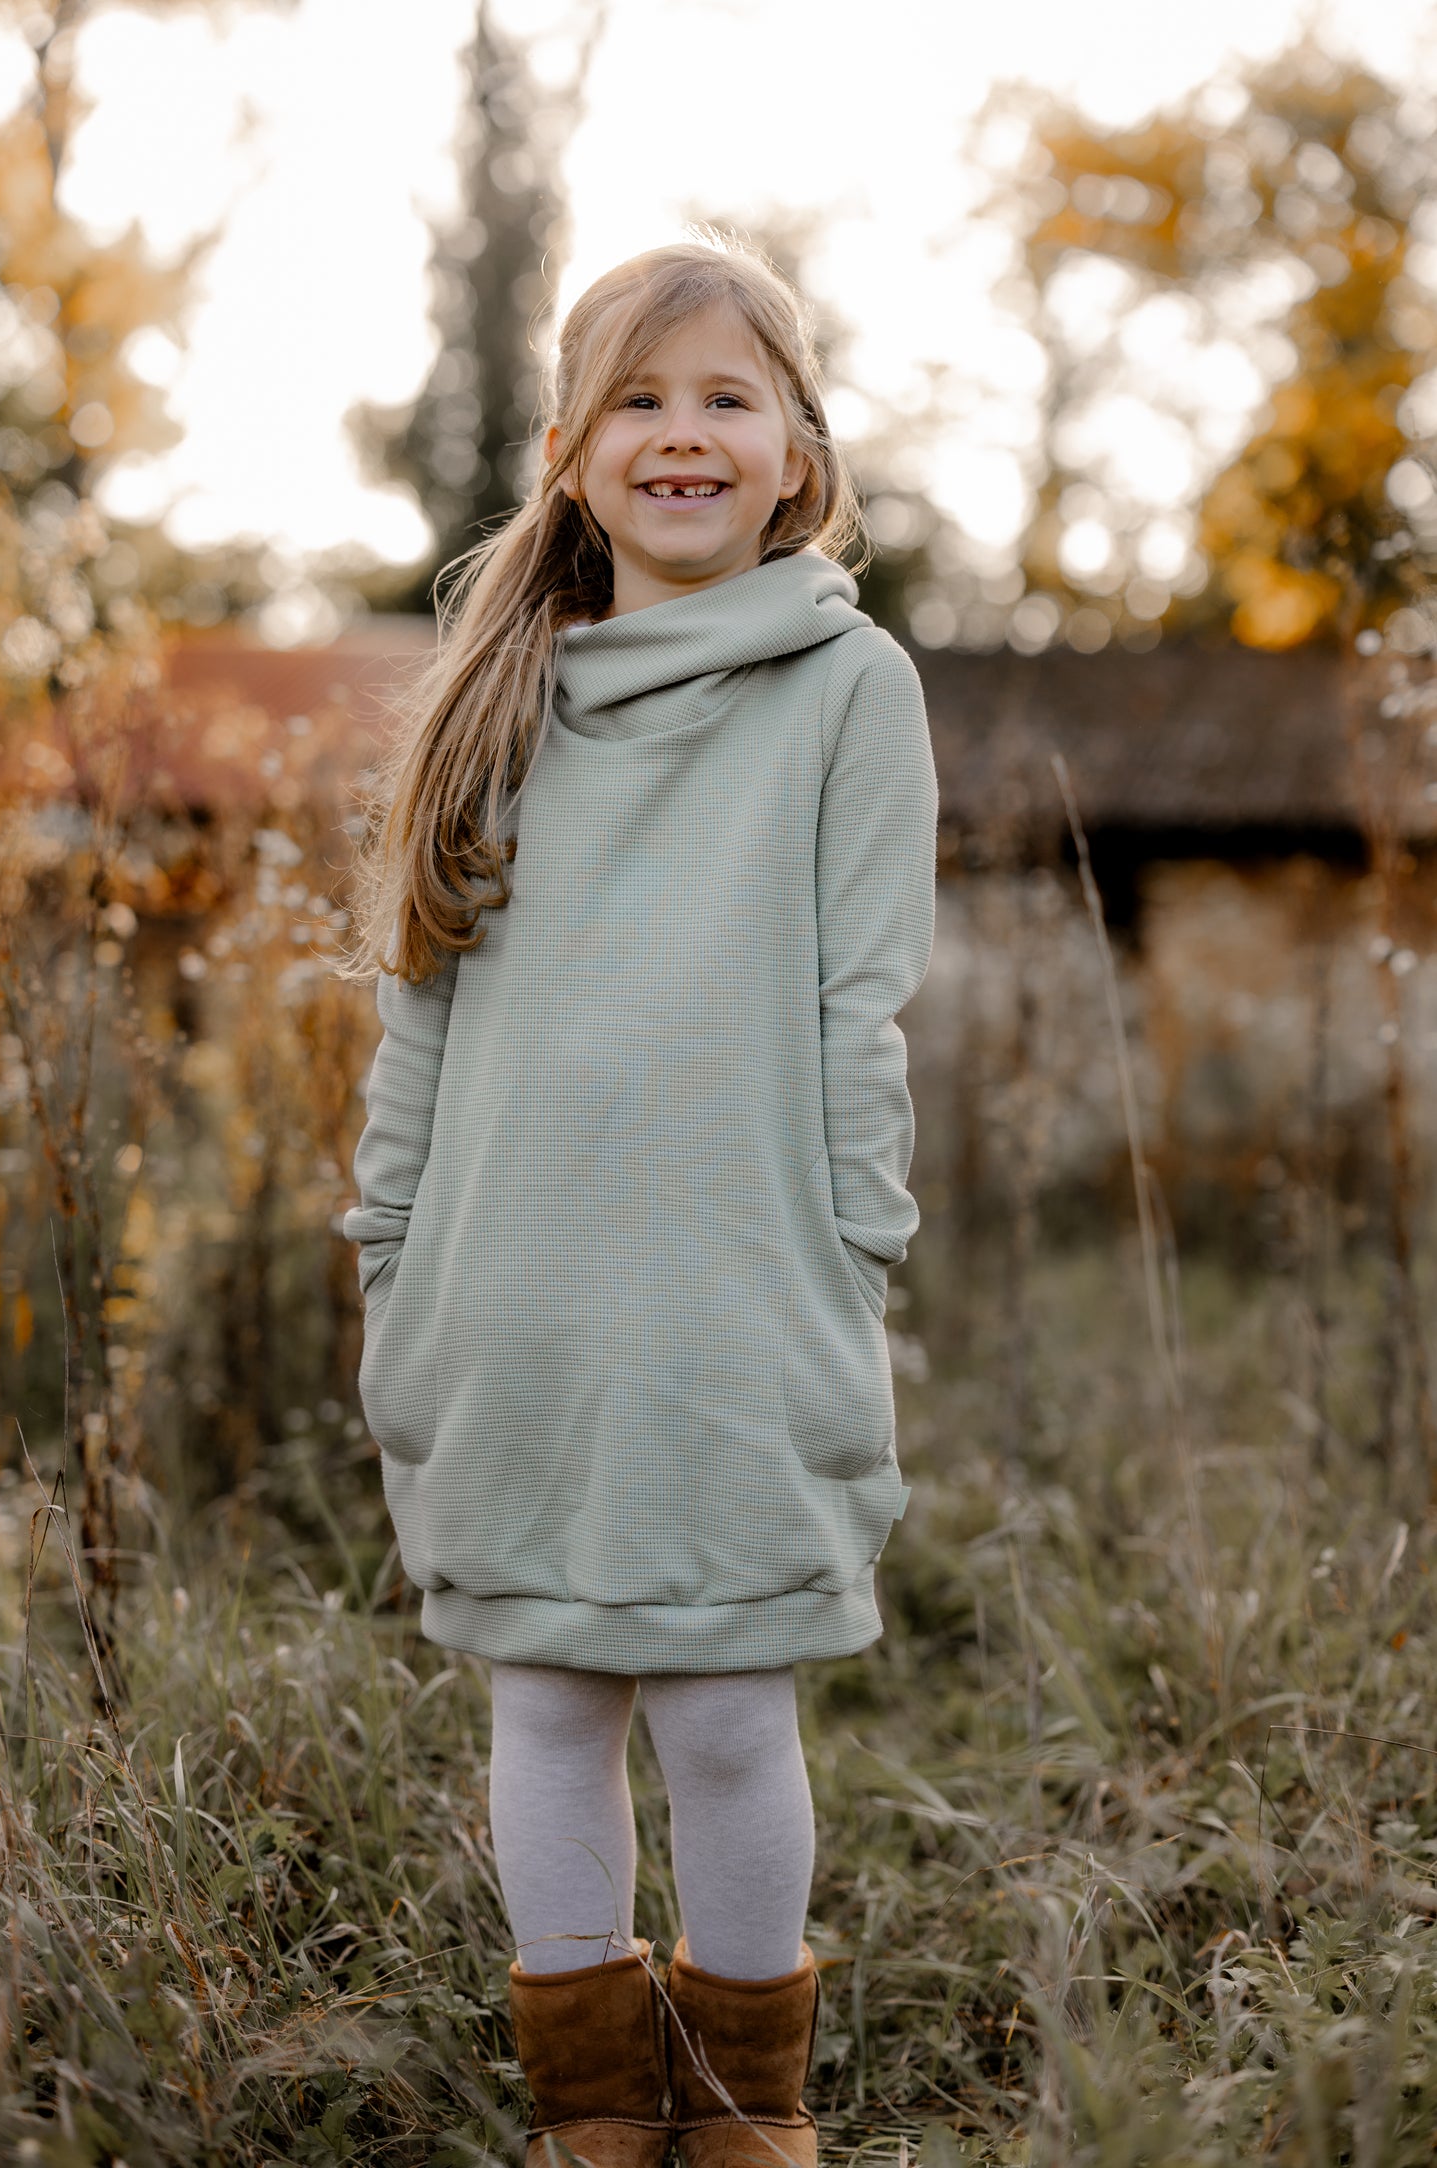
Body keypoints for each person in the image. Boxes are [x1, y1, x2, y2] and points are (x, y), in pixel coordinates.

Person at [340, 237, 938, 2168]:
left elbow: (862, 1004)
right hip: (507, 1288)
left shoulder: (851, 687)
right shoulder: (499, 690)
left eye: (725, 397)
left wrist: (852, 1258)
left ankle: (747, 2109)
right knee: (548, 1698)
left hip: (733, 1286)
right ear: (571, 455)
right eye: (639, 399)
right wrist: (387, 1254)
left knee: (726, 1710)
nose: (682, 432)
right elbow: (421, 1005)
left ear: (795, 456)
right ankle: (594, 2107)